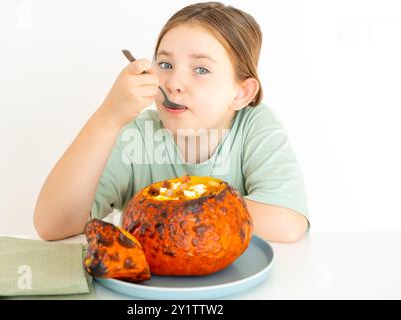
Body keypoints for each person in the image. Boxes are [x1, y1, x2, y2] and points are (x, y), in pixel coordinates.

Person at [33, 2, 309, 243]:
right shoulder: (136, 134)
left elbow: (287, 222)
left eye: (201, 69)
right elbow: (53, 224)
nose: (175, 83)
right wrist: (108, 117)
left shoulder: (255, 126)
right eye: (165, 65)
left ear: (241, 93)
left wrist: (169, 209)